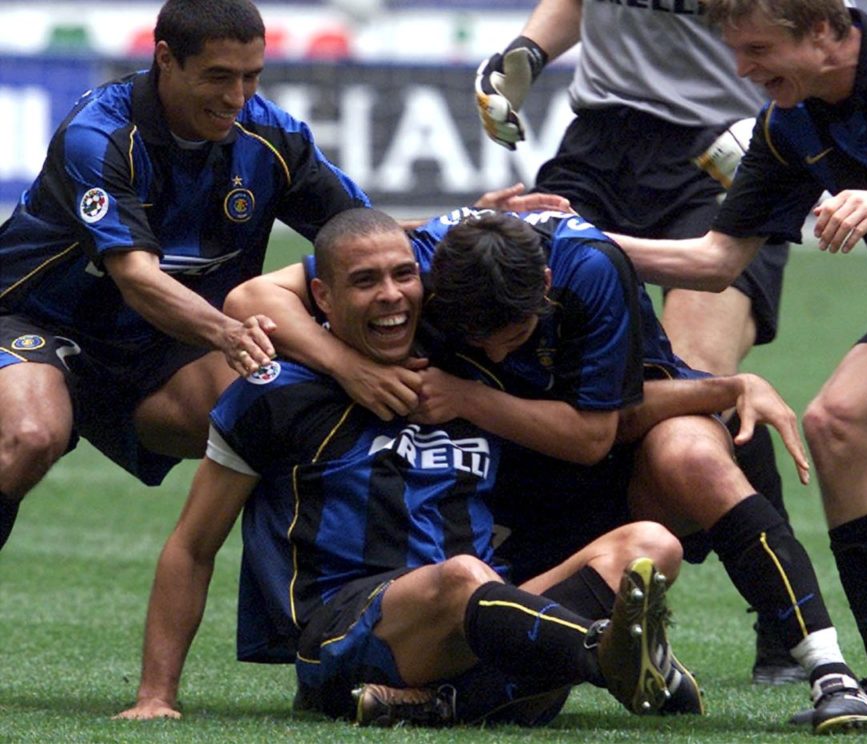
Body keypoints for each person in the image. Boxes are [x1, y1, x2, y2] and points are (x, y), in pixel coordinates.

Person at [229, 207, 867, 734]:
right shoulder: (422, 259)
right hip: (502, 495)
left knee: (685, 472)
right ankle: (586, 662)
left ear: (542, 291)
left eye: (506, 335)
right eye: (470, 335)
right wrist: (353, 368)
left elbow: (600, 432)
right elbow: (253, 294)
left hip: (597, 459)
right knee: (472, 589)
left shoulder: (593, 270)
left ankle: (831, 675)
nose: (486, 350)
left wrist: (471, 398)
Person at [0, 0, 565, 554]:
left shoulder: (271, 137)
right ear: (166, 60)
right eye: (219, 77)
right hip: (37, 319)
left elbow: (360, 233)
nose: (236, 98)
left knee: (278, 405)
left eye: (251, 77)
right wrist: (228, 333)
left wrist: (464, 221)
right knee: (31, 436)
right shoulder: (98, 135)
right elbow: (138, 278)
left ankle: (335, 600)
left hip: (160, 347)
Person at [614, 0, 867, 733]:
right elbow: (714, 262)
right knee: (837, 424)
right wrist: (577, 237)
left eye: (758, 49)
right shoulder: (788, 125)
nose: (742, 69)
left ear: (829, 31)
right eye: (737, 52)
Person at [114, 207, 686, 726]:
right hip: (349, 632)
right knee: (461, 577)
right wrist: (155, 694)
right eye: (365, 282)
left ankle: (448, 702)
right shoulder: (276, 393)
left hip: (484, 617)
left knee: (651, 545)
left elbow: (608, 418)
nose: (392, 296)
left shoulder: (468, 379)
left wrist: (730, 388)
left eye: (403, 275)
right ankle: (596, 654)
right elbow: (192, 545)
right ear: (323, 296)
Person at [472, 0, 828, 684]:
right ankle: (562, 568)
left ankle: (785, 628)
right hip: (598, 145)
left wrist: (782, 129)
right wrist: (526, 57)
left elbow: (821, 36)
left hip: (725, 150)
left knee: (695, 388)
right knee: (522, 345)